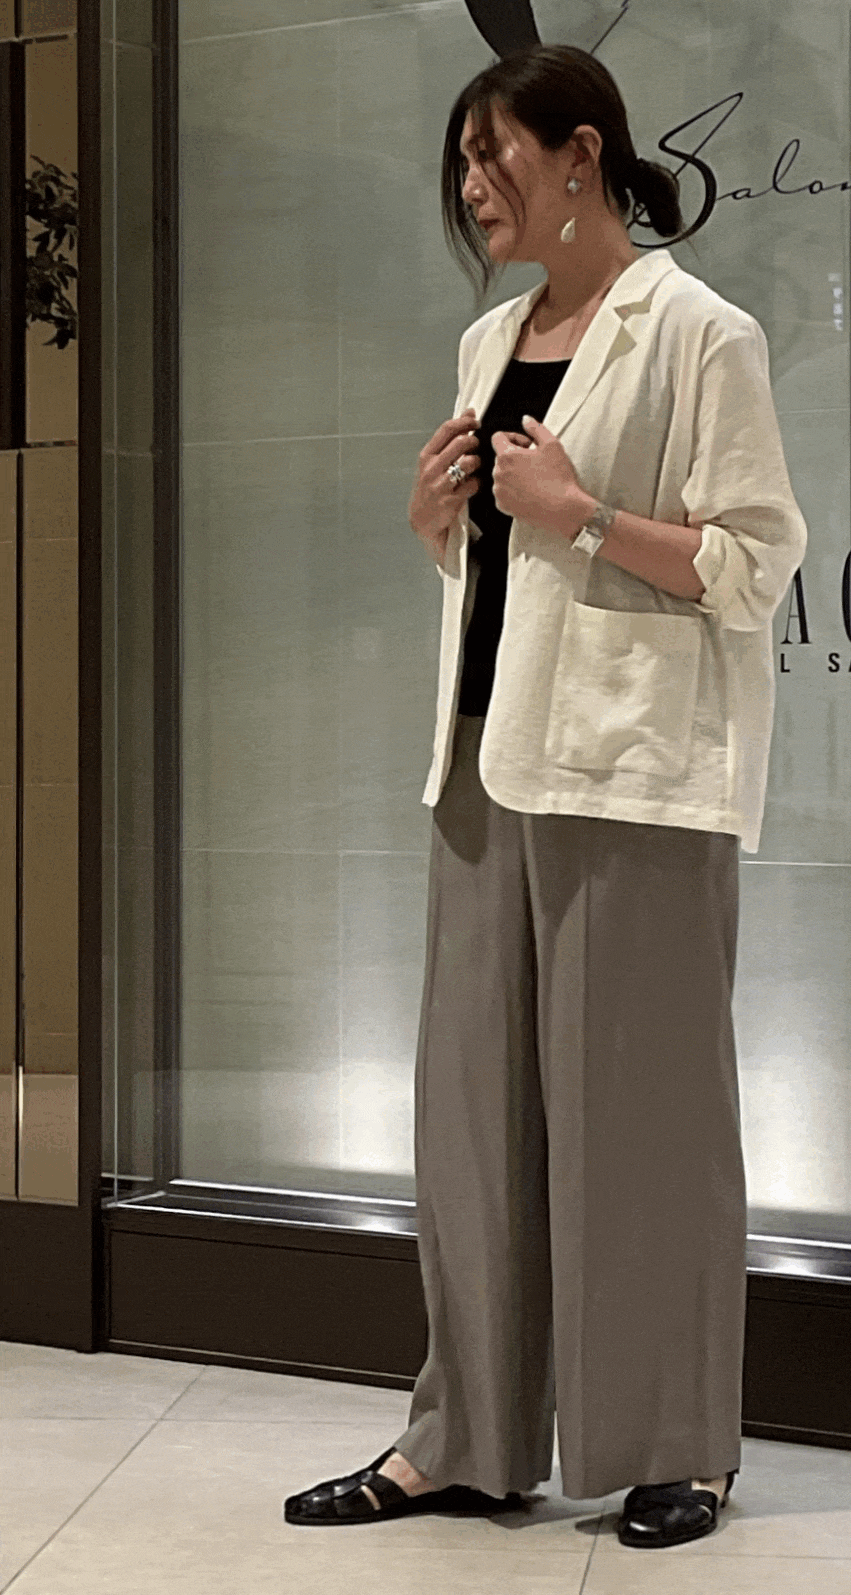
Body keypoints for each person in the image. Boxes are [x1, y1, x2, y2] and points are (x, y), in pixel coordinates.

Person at [285, 42, 807, 1551]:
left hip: (631, 779)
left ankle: (676, 1446)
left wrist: (580, 515)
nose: (470, 186)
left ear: (583, 155)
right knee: (470, 1129)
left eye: (492, 155)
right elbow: (502, 568)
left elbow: (755, 564)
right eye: (460, 162)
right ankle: (465, 1441)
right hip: (482, 764)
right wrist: (437, 523)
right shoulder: (489, 339)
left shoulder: (701, 332)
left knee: (643, 1126)